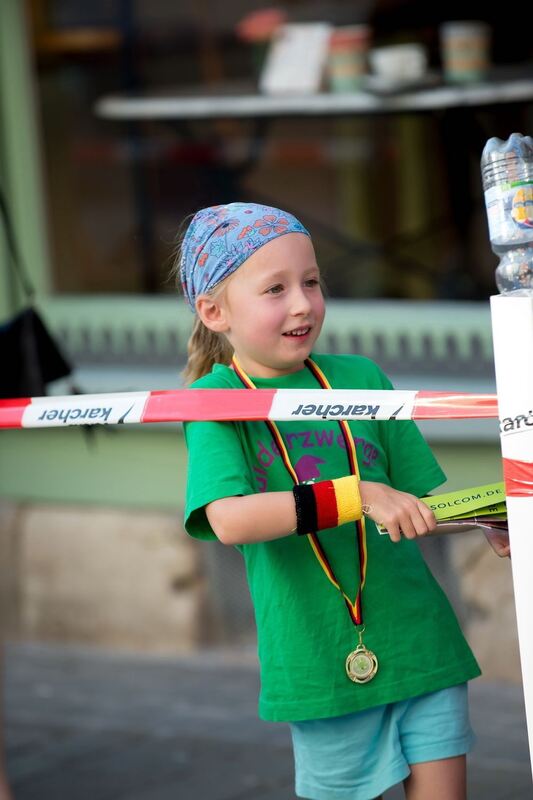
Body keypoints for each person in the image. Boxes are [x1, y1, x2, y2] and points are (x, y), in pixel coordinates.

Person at [178, 202, 506, 800]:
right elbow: (229, 520)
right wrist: (358, 495)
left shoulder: (361, 376)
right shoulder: (212, 398)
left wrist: (491, 514)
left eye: (311, 281)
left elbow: (412, 506)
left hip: (421, 642)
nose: (302, 303)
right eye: (275, 289)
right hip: (318, 659)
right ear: (214, 311)